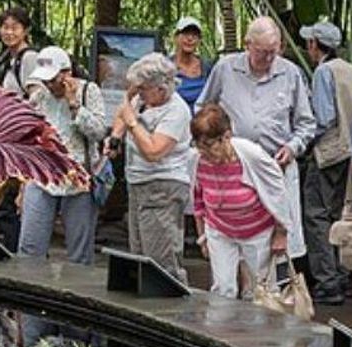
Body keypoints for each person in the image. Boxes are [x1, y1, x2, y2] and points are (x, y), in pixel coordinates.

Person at [198, 16, 315, 267]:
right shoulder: (225, 68)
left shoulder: (291, 73)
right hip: (233, 168)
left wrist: (292, 147)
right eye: (262, 52)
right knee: (233, 242)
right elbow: (203, 108)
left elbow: (307, 123)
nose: (269, 58)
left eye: (274, 51)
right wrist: (212, 146)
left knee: (277, 248)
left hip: (276, 165)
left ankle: (270, 297)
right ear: (247, 45)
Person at [18, 46, 107, 347]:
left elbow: (98, 132)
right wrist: (21, 183)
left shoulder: (88, 92)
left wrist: (73, 107)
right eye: (46, 80)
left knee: (78, 258)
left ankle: (76, 336)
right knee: (30, 250)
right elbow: (27, 138)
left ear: (67, 74)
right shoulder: (39, 97)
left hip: (77, 182)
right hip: (42, 179)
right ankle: (31, 334)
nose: (50, 86)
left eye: (54, 80)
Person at [108, 52, 194, 285]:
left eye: (144, 89)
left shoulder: (177, 111)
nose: (139, 95)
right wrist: (115, 137)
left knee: (160, 258)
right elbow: (123, 110)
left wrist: (133, 123)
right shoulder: (143, 99)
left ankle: (172, 306)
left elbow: (154, 151)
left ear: (161, 89)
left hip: (162, 187)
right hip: (137, 184)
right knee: (140, 255)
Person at [190, 103, 291, 299]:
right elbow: (198, 200)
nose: (204, 152)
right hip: (219, 228)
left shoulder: (251, 154)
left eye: (209, 145)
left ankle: (261, 329)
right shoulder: (197, 159)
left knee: (260, 291)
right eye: (199, 146)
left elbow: (277, 192)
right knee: (222, 289)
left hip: (257, 230)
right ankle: (220, 328)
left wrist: (281, 232)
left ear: (226, 136)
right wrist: (202, 237)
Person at [300, 21, 352, 305]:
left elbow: (323, 118)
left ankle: (327, 282)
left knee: (316, 214)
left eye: (309, 42)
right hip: (351, 150)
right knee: (340, 212)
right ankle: (341, 274)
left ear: (315, 44)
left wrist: (301, 142)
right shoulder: (349, 69)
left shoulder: (323, 72)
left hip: (329, 152)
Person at [0, 6, 39, 250]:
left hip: (20, 140)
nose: (8, 32)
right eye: (4, 27)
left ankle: (17, 249)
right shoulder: (6, 58)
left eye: (14, 27)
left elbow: (36, 99)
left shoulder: (28, 59)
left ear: (25, 30)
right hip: (6, 137)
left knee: (15, 200)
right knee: (6, 199)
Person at [172, 17, 210, 113]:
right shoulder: (165, 66)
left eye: (195, 35)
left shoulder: (207, 67)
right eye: (186, 33)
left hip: (201, 123)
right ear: (176, 37)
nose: (190, 38)